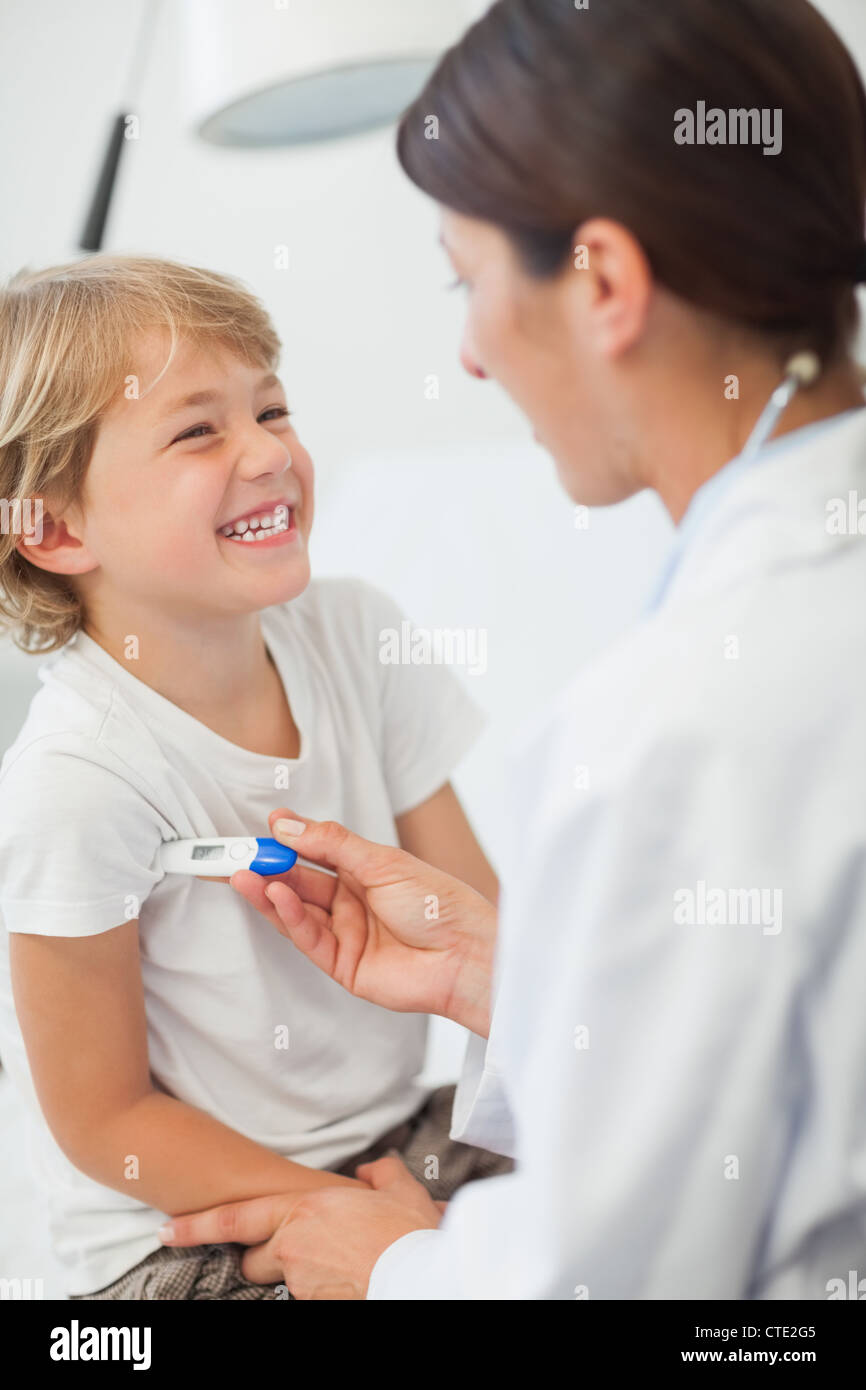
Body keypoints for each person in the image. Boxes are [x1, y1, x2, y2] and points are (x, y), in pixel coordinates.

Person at [160, 0, 866, 1298]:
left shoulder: (675, 727)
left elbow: (614, 1283)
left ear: (600, 281)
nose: (470, 355)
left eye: (465, 277)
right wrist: (514, 976)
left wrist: (398, 1268)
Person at [0, 255, 508, 1301]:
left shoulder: (355, 635)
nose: (269, 451)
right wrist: (362, 1229)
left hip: (396, 1136)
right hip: (189, 1226)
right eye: (199, 430)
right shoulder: (77, 778)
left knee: (652, 1197)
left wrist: (411, 1224)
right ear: (53, 526)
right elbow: (105, 1120)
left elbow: (483, 924)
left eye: (271, 408)